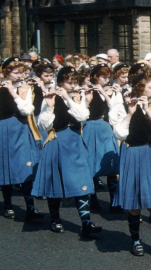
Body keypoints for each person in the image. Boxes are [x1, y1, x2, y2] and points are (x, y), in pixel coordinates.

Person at [32, 66, 102, 236]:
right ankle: (55, 219)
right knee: (56, 181)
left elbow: (82, 116)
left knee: (81, 181)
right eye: (69, 82)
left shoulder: (77, 97)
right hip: (58, 140)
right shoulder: (51, 97)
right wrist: (49, 107)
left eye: (75, 82)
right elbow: (44, 124)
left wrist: (71, 99)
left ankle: (86, 223)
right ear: (60, 82)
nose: (72, 86)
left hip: (75, 141)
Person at [112, 66, 151, 259]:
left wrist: (148, 110)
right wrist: (130, 113)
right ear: (140, 88)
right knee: (134, 202)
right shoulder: (123, 105)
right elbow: (120, 134)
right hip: (132, 154)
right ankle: (136, 241)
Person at [0, 57, 43, 222]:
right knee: (7, 166)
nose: (20, 76)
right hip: (4, 128)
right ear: (6, 73)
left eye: (21, 72)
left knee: (25, 165)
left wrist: (13, 92)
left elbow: (28, 110)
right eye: (16, 72)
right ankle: (8, 205)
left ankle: (30, 207)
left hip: (21, 128)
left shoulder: (26, 88)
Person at [82, 65, 121, 213]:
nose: (107, 80)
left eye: (108, 77)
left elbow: (113, 108)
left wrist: (105, 93)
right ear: (95, 77)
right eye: (104, 77)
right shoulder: (87, 90)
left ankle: (114, 201)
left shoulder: (108, 90)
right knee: (91, 162)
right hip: (90, 128)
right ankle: (93, 199)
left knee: (111, 163)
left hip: (104, 127)